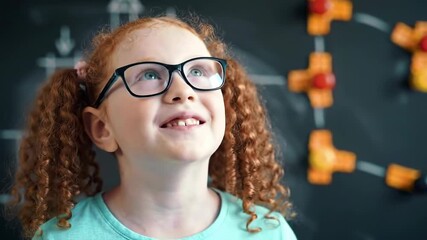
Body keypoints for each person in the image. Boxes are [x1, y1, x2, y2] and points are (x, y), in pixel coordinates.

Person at [7, 14, 297, 240]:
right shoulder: (63, 237)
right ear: (101, 128)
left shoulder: (269, 233)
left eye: (197, 71)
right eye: (149, 74)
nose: (183, 90)